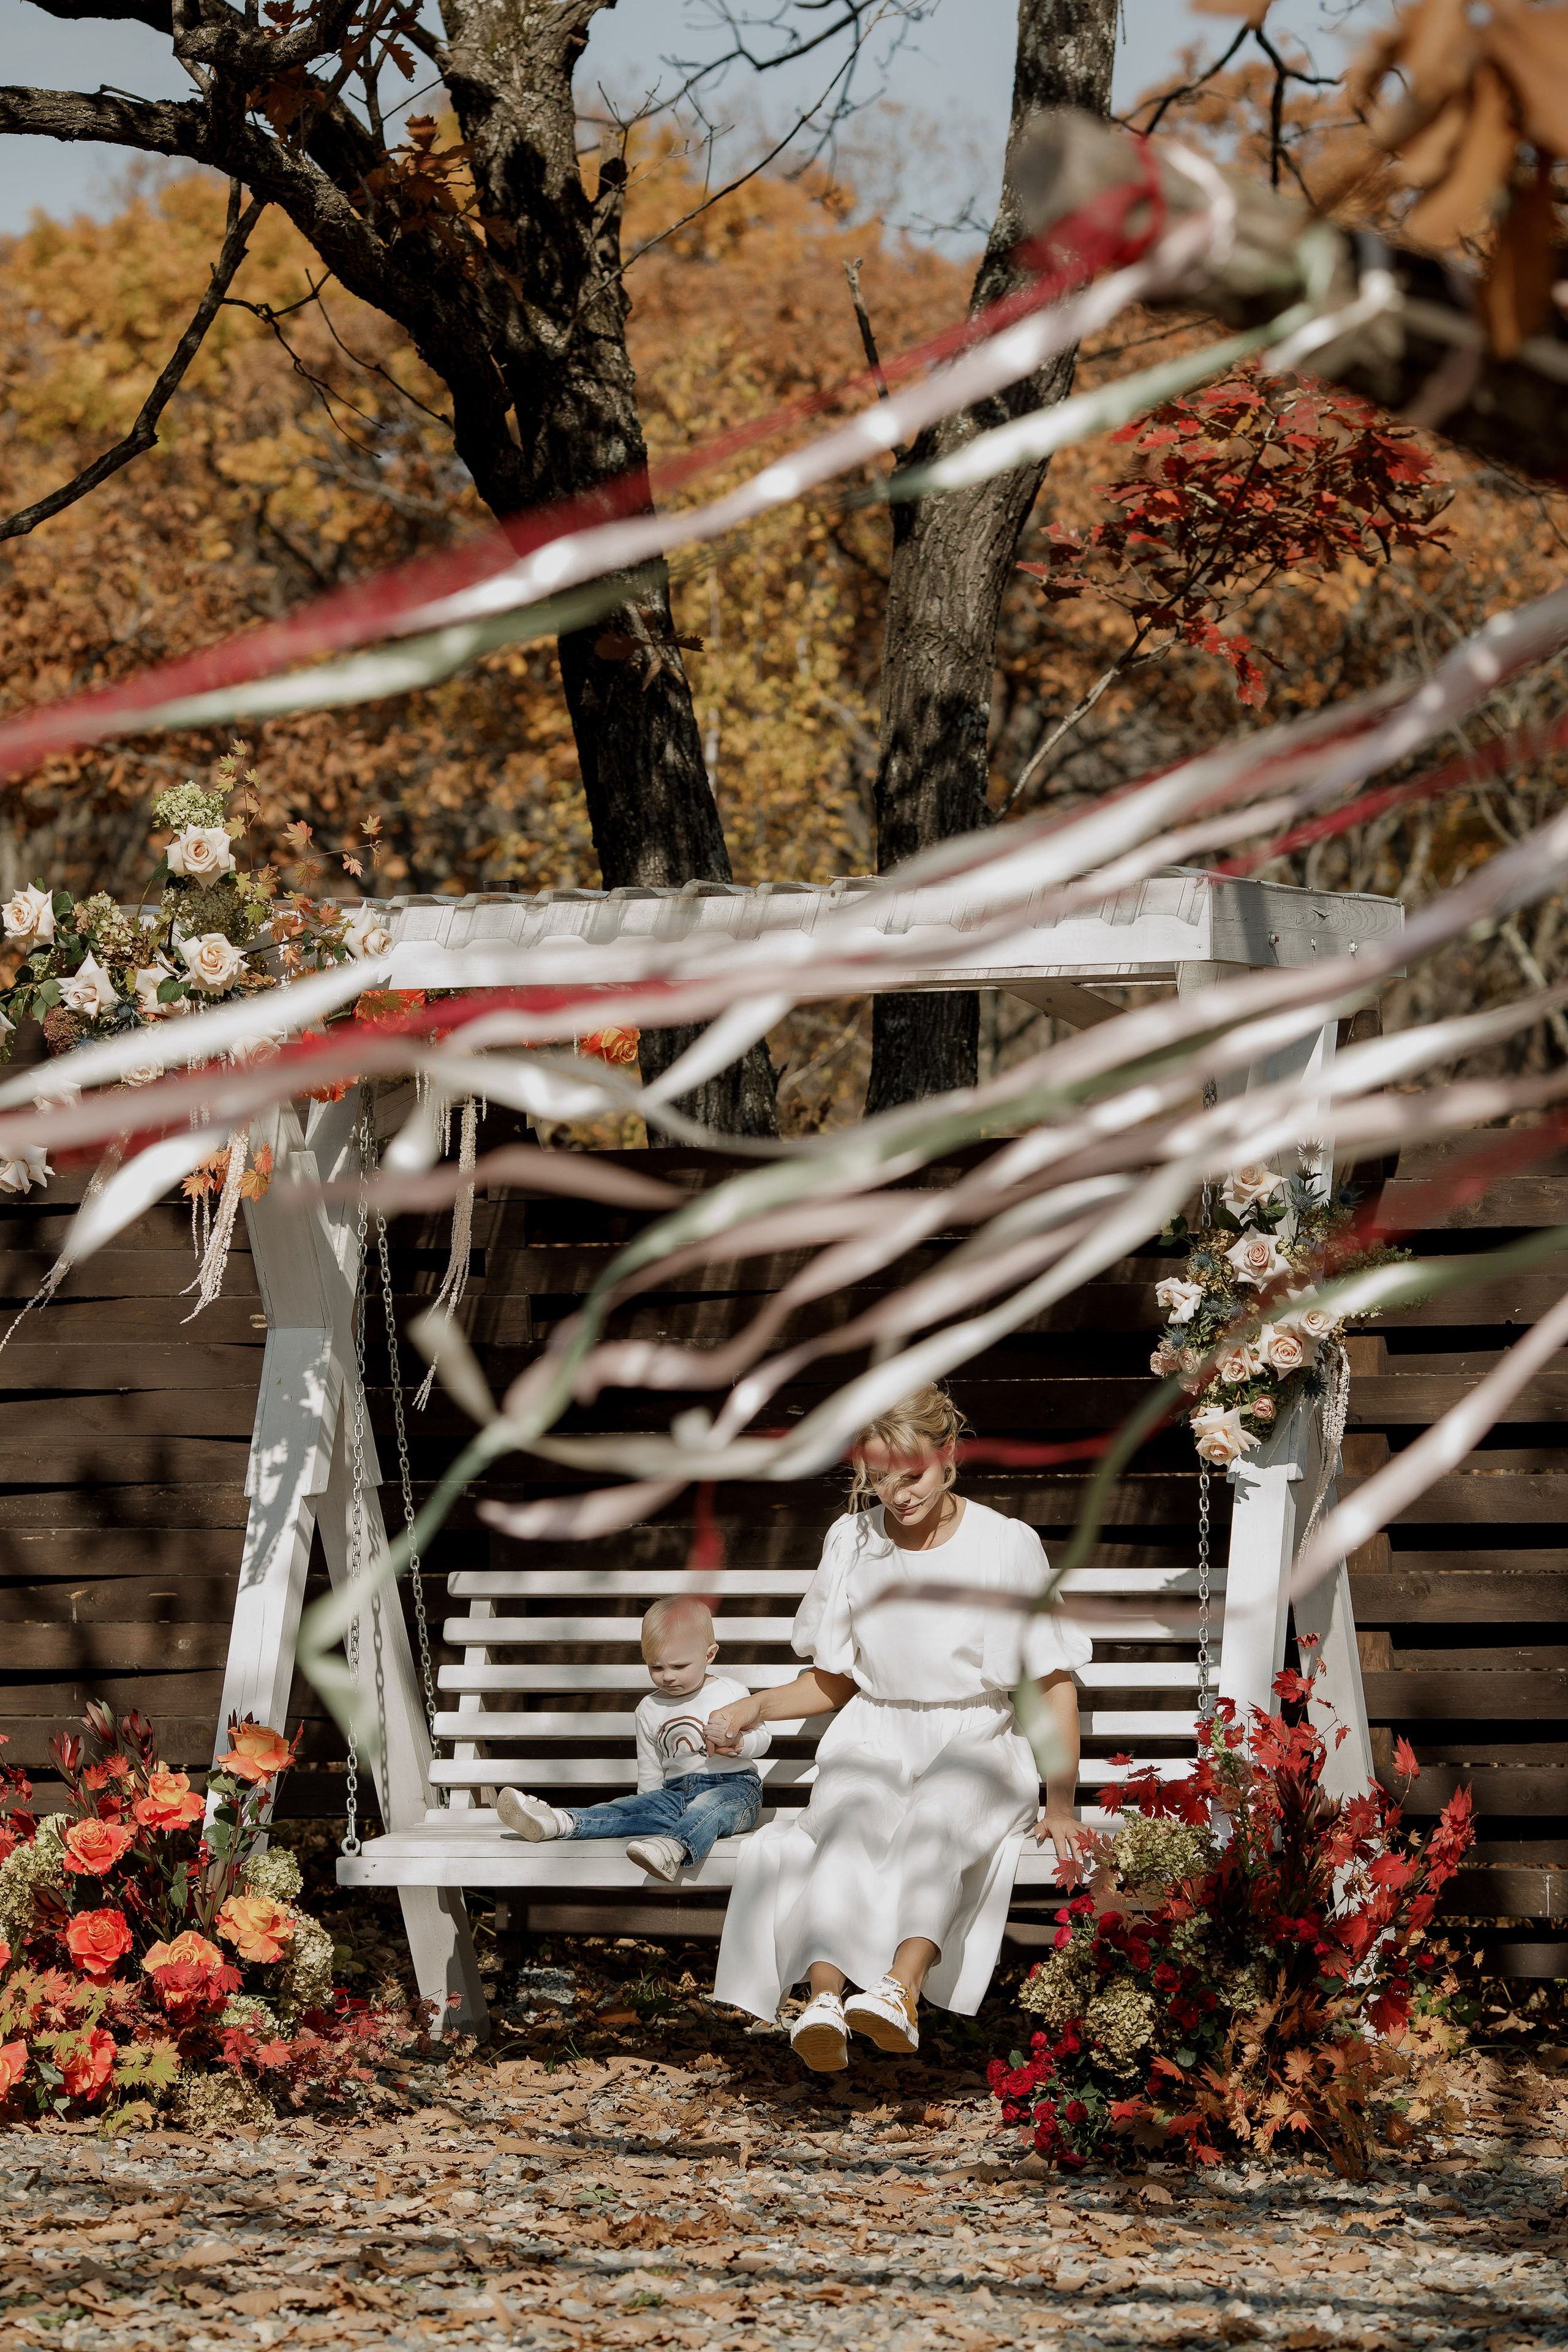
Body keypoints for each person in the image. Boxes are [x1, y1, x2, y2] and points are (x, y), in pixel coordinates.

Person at [706, 1384, 1090, 2071]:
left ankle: (898, 1991)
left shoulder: (1004, 1544)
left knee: (934, 1823)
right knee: (846, 1825)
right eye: (879, 1479)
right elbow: (837, 1679)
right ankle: (824, 2003)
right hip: (875, 1731)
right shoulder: (852, 1541)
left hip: (974, 1738)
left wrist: (1059, 1802)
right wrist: (755, 1706)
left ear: (949, 1455)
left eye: (911, 1476)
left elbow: (1051, 1681)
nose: (897, 1495)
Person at [494, 1595, 771, 1883]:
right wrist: (645, 1805)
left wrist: (739, 1743)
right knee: (623, 1809)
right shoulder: (649, 1708)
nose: (668, 1677)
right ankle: (560, 1821)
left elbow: (762, 1738)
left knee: (708, 1805)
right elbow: (650, 1767)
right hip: (675, 1795)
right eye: (656, 1667)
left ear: (709, 1655)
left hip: (735, 1790)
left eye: (679, 1667)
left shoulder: (730, 1692)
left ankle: (672, 1850)